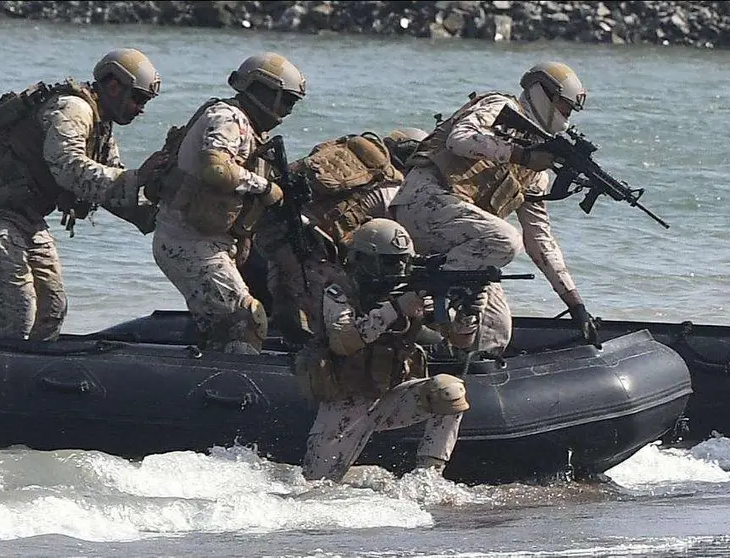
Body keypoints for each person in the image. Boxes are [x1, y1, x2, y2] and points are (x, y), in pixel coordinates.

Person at [389, 61, 599, 356]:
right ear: (544, 95)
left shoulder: (537, 171)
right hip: (423, 202)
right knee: (505, 239)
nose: (565, 118)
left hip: (464, 238)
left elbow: (540, 240)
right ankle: (418, 297)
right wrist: (520, 154)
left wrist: (574, 303)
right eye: (564, 108)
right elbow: (459, 138)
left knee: (495, 327)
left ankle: (455, 368)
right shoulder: (499, 108)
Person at [0, 48, 162, 341]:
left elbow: (112, 186)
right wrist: (136, 178)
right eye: (138, 98)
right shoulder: (73, 110)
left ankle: (28, 376)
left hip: (25, 217)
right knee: (14, 315)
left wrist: (161, 212)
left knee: (51, 310)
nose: (140, 108)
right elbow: (68, 168)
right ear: (114, 86)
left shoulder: (101, 126)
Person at [296, 218, 486, 482]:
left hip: (392, 395)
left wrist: (467, 316)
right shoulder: (339, 292)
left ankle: (427, 479)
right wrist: (395, 309)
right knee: (316, 487)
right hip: (347, 401)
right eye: (388, 261)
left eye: (402, 260)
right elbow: (343, 342)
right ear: (363, 260)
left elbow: (458, 341)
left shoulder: (413, 292)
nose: (398, 268)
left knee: (449, 391)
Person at [147, 52, 306, 354]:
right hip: (188, 241)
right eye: (285, 101)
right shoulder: (228, 119)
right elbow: (215, 168)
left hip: (206, 241)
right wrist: (264, 187)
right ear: (264, 91)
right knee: (246, 319)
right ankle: (232, 390)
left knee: (227, 325)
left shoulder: (249, 128)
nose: (287, 110)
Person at [244, 126, 429, 346]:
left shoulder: (352, 170)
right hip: (310, 244)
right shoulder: (392, 189)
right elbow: (399, 244)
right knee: (324, 310)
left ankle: (284, 340)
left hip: (277, 230)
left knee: (286, 298)